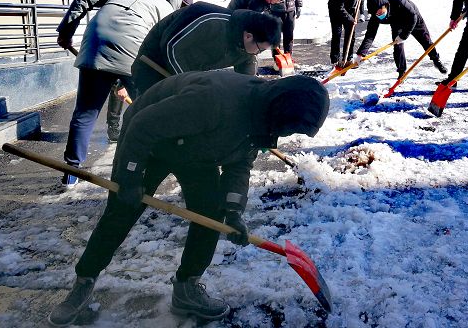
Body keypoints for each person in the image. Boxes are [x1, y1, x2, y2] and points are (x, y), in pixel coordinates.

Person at [47, 71, 330, 327]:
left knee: (211, 214)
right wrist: (130, 177)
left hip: (197, 150)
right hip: (148, 144)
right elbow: (143, 126)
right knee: (123, 210)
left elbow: (240, 164)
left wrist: (234, 210)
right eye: (291, 128)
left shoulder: (263, 118)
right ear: (281, 110)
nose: (287, 134)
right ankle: (84, 281)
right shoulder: (216, 101)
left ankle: (187, 287)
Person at [56, 0, 192, 186]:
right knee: (149, 112)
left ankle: (71, 171)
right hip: (134, 54)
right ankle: (157, 162)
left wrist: (66, 32)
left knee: (85, 113)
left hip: (94, 44)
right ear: (178, 0)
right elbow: (163, 50)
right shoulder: (167, 11)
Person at [130, 3, 281, 98]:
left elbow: (246, 81)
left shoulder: (246, 48)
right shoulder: (211, 22)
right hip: (154, 62)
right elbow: (171, 46)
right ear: (248, 36)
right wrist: (188, 83)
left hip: (186, 67)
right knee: (149, 110)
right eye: (260, 49)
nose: (257, 54)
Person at [355, 0, 447, 79]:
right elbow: (370, 35)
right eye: (377, 14)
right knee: (398, 46)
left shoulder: (399, 1)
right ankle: (402, 72)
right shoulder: (375, 17)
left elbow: (413, 17)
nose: (379, 16)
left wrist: (404, 35)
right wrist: (361, 54)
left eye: (380, 13)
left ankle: (436, 60)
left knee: (425, 40)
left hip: (413, 19)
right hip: (397, 23)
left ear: (384, 6)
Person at [327, 0, 362, 68]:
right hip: (336, 11)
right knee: (336, 34)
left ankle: (348, 59)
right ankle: (335, 60)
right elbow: (340, 9)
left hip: (350, 9)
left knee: (350, 34)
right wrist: (351, 19)